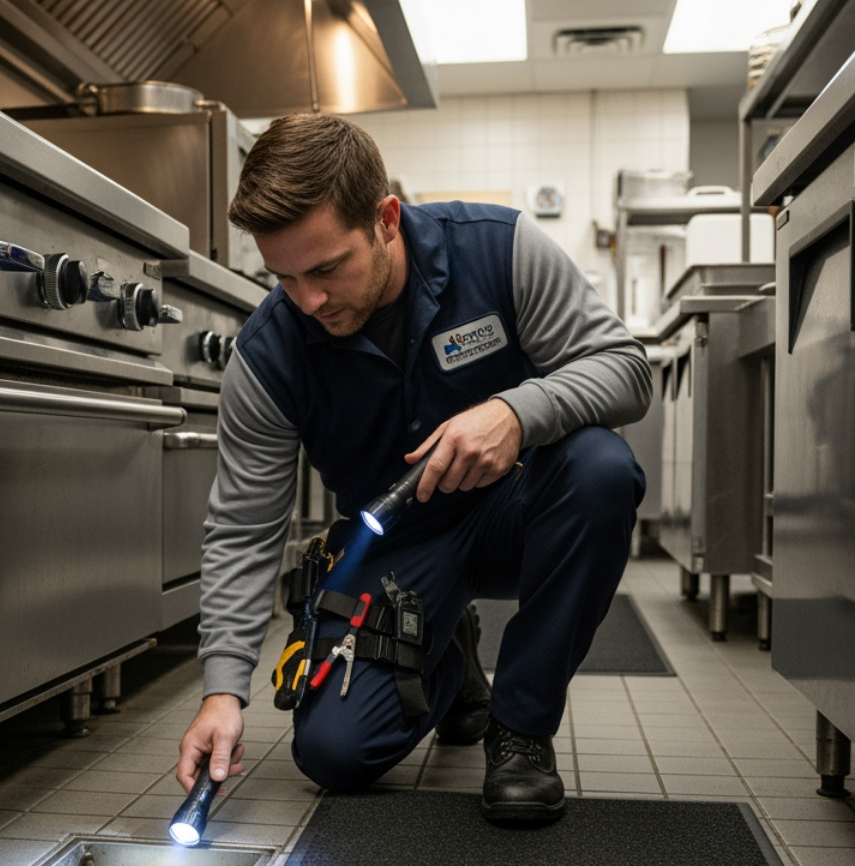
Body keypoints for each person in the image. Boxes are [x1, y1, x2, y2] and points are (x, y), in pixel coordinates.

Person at [176, 114, 650, 822]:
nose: (308, 300)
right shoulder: (269, 353)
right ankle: (449, 650)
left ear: (386, 220)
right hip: (394, 547)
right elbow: (245, 528)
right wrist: (222, 690)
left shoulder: (500, 251)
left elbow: (626, 369)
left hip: (516, 514)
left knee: (601, 468)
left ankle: (520, 729)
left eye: (327, 268)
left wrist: (516, 412)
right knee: (334, 754)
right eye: (284, 277)